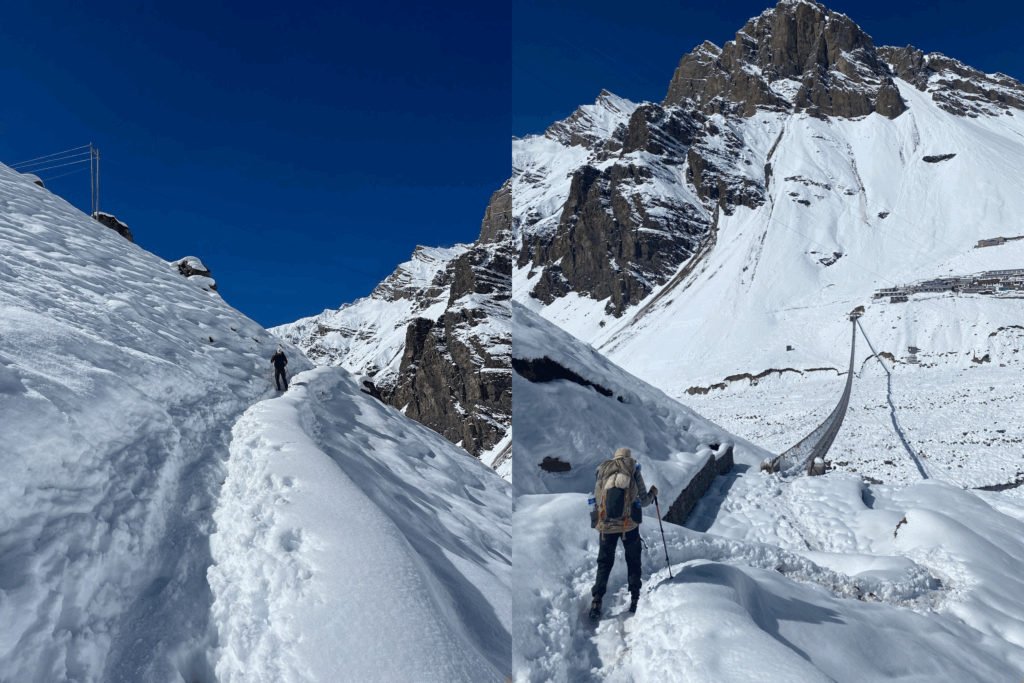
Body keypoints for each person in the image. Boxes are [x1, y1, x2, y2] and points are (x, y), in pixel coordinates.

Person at [589, 447, 658, 620]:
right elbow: (643, 501)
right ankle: (634, 598)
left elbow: (598, 498)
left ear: (615, 457)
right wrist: (653, 493)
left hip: (606, 526)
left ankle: (597, 600)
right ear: (629, 457)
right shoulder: (633, 469)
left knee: (604, 562)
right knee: (633, 560)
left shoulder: (603, 469)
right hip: (629, 526)